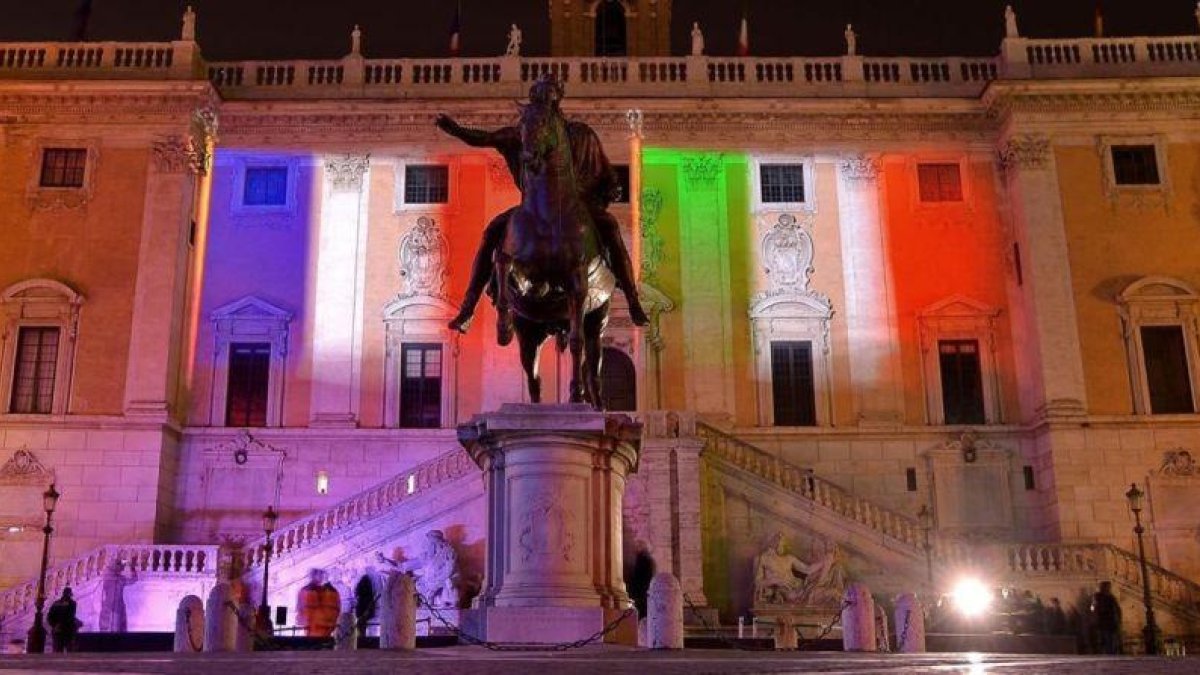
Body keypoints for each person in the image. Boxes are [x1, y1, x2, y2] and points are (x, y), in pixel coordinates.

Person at [436, 76, 650, 343]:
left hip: (579, 207)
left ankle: (632, 300)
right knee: (492, 231)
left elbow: (604, 170)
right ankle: (468, 308)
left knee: (610, 228)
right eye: (538, 95)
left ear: (557, 100)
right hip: (534, 208)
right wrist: (456, 130)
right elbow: (486, 138)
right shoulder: (526, 129)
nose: (542, 101)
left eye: (547, 96)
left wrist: (612, 186)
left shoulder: (581, 134)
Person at [1090, 581, 1122, 654]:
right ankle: (1108, 652)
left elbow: (1117, 609)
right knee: (1106, 638)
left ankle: (1110, 652)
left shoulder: (1110, 597)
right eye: (1108, 587)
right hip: (1104, 621)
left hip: (1109, 622)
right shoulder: (1099, 597)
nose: (1109, 589)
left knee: (1109, 639)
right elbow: (1093, 607)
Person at [46, 587, 80, 653]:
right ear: (69, 594)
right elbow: (70, 616)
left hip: (57, 630)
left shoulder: (56, 603)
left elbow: (49, 616)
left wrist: (55, 625)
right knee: (69, 650)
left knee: (57, 651)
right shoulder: (72, 603)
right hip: (67, 631)